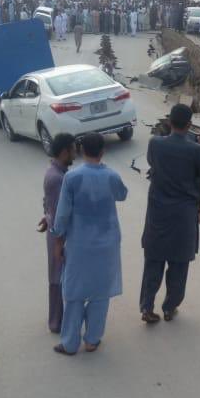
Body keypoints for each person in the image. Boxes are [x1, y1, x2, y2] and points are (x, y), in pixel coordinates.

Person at [51, 132, 128, 355]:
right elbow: (122, 195)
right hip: (107, 245)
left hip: (79, 245)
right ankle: (92, 340)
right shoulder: (112, 176)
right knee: (100, 293)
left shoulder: (72, 178)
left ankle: (69, 343)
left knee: (74, 293)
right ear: (102, 152)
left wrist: (57, 240)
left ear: (82, 151)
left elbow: (63, 215)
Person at [139, 104, 200, 324]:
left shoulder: (155, 144)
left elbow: (153, 163)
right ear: (189, 124)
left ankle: (146, 307)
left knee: (153, 261)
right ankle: (170, 307)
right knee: (179, 265)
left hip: (158, 212)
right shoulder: (196, 150)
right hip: (183, 214)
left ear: (170, 122)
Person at [37, 134, 75, 333]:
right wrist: (60, 242)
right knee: (58, 277)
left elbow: (48, 204)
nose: (75, 153)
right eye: (73, 149)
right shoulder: (57, 178)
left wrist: (46, 216)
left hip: (54, 230)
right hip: (58, 235)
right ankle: (56, 322)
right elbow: (61, 214)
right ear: (64, 152)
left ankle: (58, 319)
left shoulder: (54, 172)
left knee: (59, 276)